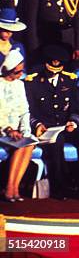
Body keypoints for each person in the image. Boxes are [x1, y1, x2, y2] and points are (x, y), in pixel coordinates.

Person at [25, 45, 79, 199]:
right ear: (46, 64)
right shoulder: (33, 82)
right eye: (51, 66)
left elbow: (76, 109)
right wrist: (37, 124)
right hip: (45, 129)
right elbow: (28, 111)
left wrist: (73, 122)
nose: (54, 71)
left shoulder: (69, 81)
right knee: (58, 140)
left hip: (66, 126)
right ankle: (60, 186)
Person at [0, 50, 32, 202]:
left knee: (28, 144)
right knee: (20, 145)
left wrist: (25, 130)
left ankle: (15, 187)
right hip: (3, 130)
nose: (21, 74)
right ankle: (10, 187)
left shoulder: (20, 85)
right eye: (18, 72)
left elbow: (24, 110)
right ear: (10, 70)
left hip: (17, 131)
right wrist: (8, 129)